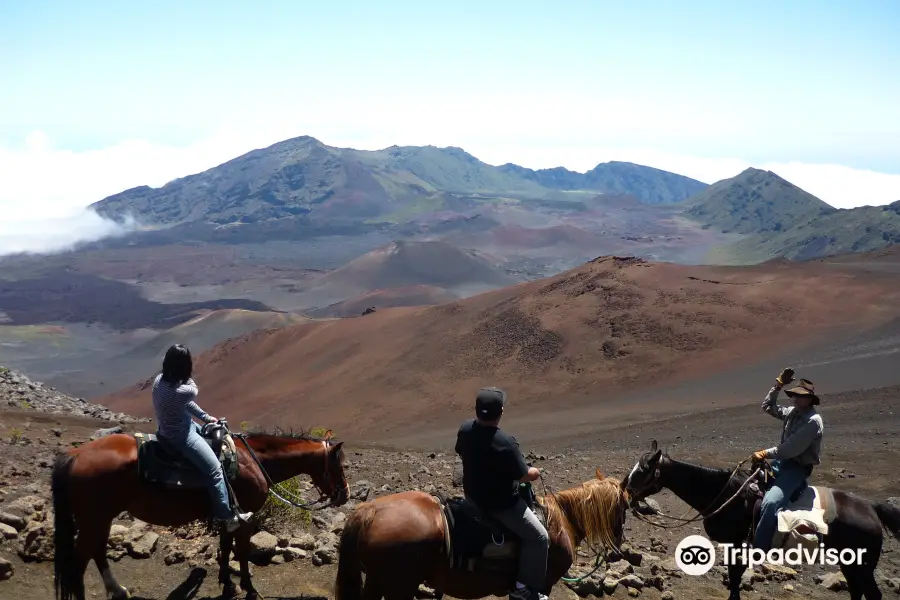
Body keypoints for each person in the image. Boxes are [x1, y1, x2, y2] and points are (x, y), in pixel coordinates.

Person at [454, 387, 549, 600]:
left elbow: (460, 450)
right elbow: (523, 475)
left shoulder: (466, 429)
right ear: (501, 412)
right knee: (540, 537)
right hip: (501, 506)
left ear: (477, 410)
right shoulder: (505, 442)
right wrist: (535, 472)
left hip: (472, 498)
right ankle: (523, 589)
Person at [152, 344, 252, 532]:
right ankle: (227, 517)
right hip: (181, 436)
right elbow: (191, 392)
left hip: (172, 427)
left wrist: (206, 418)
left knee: (212, 433)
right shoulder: (186, 389)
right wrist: (186, 374)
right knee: (214, 471)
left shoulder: (159, 381)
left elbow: (184, 404)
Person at [751, 367, 824, 552]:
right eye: (796, 395)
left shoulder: (812, 421)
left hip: (796, 468)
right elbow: (767, 406)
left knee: (770, 503)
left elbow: (789, 449)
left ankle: (760, 550)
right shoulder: (792, 412)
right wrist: (778, 385)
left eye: (802, 396)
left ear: (810, 399)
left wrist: (765, 453)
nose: (798, 398)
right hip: (781, 463)